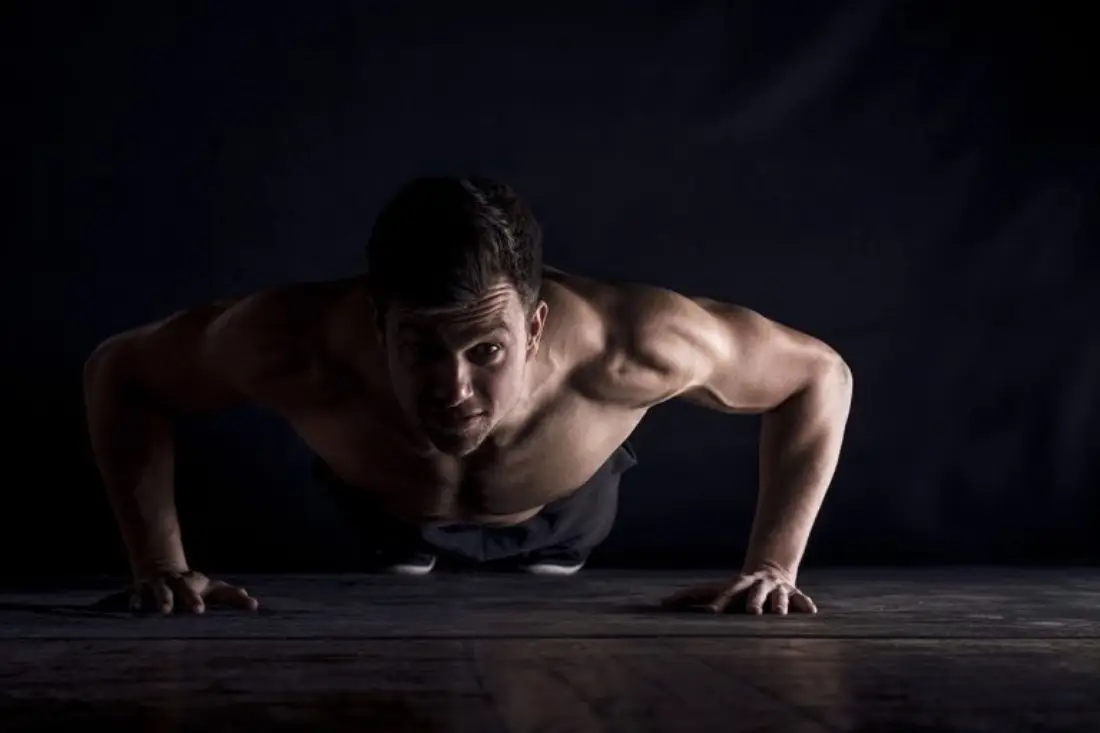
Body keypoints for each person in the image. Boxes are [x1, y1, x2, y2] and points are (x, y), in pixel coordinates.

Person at [83, 176, 853, 617]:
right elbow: (121, 370)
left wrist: (774, 568)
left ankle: (545, 542)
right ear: (379, 322)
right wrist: (161, 565)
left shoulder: (637, 344)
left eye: (486, 349)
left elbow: (821, 376)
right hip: (378, 519)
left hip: (563, 520)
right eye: (421, 348)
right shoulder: (291, 340)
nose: (454, 388)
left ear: (535, 325)